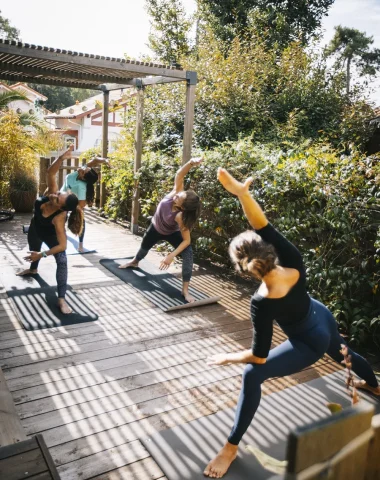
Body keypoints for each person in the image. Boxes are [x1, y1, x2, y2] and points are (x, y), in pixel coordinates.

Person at [204, 168, 380, 479]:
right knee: (343, 351)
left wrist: (229, 357)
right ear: (265, 251)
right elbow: (262, 224)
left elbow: (258, 358)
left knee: (251, 374)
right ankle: (376, 387)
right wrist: (243, 194)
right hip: (321, 316)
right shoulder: (291, 259)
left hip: (306, 342)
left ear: (245, 270)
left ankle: (230, 447)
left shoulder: (262, 302)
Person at [119, 157, 202, 302]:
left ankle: (185, 290)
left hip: (171, 233)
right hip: (155, 227)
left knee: (188, 254)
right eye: (179, 194)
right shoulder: (176, 193)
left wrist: (171, 255)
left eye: (179, 198)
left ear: (182, 207)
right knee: (144, 247)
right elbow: (179, 175)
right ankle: (135, 261)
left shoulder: (181, 217)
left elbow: (187, 240)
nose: (176, 195)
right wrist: (190, 163)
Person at [17, 148, 84, 314]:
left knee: (62, 260)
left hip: (49, 234)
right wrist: (61, 157)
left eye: (57, 198)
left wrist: (42, 255)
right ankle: (33, 269)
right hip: (35, 226)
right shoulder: (54, 190)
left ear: (61, 207)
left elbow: (62, 246)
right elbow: (50, 171)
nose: (54, 195)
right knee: (34, 246)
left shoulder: (59, 218)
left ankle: (61, 299)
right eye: (58, 194)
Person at [60, 156, 110, 252]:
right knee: (62, 218)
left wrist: (75, 212)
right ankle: (62, 234)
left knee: (80, 219)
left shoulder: (82, 186)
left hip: (75, 201)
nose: (84, 167)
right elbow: (95, 160)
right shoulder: (80, 172)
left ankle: (80, 245)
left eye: (86, 169)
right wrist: (105, 161)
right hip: (63, 196)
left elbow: (81, 205)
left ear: (84, 176)